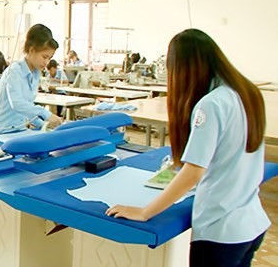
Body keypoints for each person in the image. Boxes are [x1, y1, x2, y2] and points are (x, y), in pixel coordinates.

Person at [106, 29, 269, 267]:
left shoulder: (211, 104)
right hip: (251, 224)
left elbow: (194, 172)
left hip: (221, 233)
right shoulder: (246, 93)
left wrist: (145, 212)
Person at [0, 24, 63, 136]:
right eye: (44, 57)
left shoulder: (35, 74)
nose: (47, 62)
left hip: (19, 129)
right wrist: (46, 114)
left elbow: (27, 108)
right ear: (32, 50)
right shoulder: (14, 71)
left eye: (50, 58)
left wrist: (43, 124)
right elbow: (17, 104)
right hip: (0, 131)